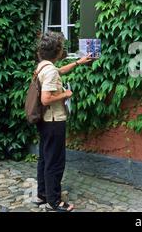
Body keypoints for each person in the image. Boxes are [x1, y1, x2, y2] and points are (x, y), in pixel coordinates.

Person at [34, 32, 92, 212]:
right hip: (54, 121)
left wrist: (78, 62)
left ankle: (42, 194)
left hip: (45, 121)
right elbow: (45, 99)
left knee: (45, 158)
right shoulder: (50, 70)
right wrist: (66, 94)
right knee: (55, 162)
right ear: (57, 51)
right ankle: (54, 201)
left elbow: (58, 71)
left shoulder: (43, 66)